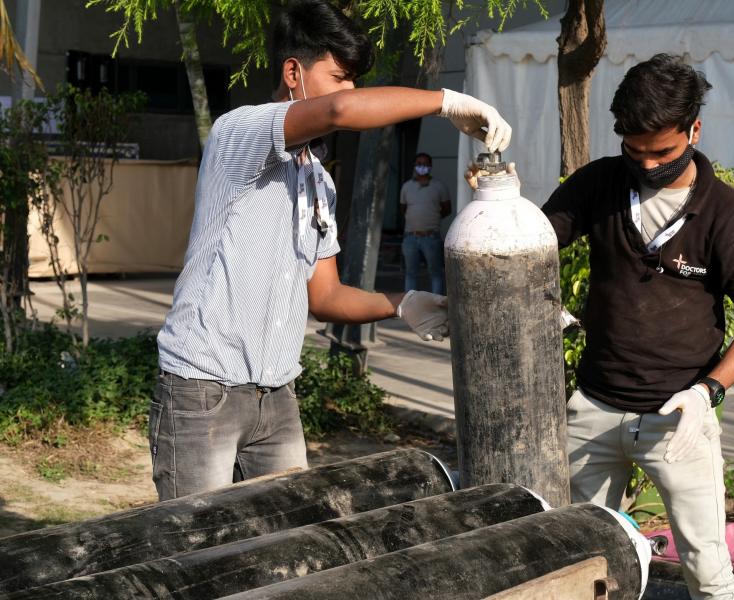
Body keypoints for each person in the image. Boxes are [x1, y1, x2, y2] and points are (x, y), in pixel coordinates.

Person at [152, 0, 511, 501]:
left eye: (354, 80)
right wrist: (445, 101)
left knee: (288, 545)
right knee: (195, 549)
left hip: (276, 397)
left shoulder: (318, 181)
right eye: (340, 76)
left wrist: (403, 303)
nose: (350, 92)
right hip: (201, 392)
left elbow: (325, 295)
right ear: (293, 72)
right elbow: (342, 111)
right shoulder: (238, 133)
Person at [468, 54, 734, 600]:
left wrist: (708, 393)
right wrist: (497, 208)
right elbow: (533, 244)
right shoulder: (601, 185)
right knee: (579, 557)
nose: (649, 164)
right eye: (636, 152)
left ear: (694, 130)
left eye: (664, 152)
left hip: (676, 419)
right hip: (595, 407)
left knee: (708, 568)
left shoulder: (729, 217)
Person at [400, 152, 451, 295]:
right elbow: (403, 209)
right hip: (410, 237)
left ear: (430, 166)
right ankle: (410, 305)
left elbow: (447, 208)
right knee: (410, 273)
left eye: (425, 164)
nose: (422, 167)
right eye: (419, 164)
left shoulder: (439, 186)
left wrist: (432, 218)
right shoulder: (406, 187)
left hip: (431, 237)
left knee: (435, 273)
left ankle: (437, 305)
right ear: (415, 166)